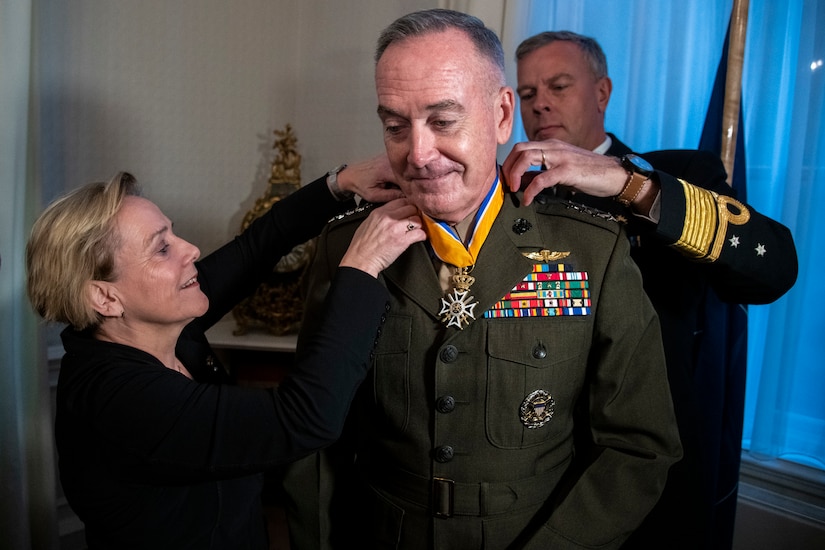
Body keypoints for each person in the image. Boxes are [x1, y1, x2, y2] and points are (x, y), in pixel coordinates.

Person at [283, 9, 682, 549]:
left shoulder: (591, 248)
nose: (417, 155)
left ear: (500, 115)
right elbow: (313, 439)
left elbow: (638, 445)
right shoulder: (344, 248)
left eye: (443, 121)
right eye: (395, 126)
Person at [25, 158, 426, 550]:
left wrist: (341, 183)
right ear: (105, 296)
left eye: (174, 233)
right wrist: (362, 264)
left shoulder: (161, 329)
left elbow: (256, 248)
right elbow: (307, 418)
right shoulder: (118, 400)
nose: (192, 249)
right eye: (161, 248)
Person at [501, 31, 798, 549]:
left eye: (558, 85)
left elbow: (774, 268)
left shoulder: (676, 175)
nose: (540, 101)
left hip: (653, 466)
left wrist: (627, 185)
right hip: (536, 467)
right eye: (527, 93)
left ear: (602, 92)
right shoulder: (508, 193)